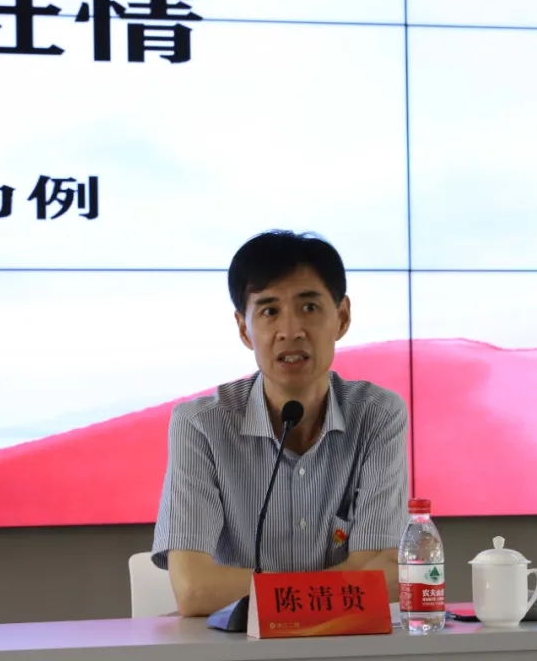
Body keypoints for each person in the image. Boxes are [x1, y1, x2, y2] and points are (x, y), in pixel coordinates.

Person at [151, 230, 410, 617]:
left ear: (341, 317)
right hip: (238, 643)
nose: (291, 331)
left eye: (309, 307)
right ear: (244, 329)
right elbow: (194, 589)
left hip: (345, 643)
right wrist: (340, 585)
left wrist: (257, 591)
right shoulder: (201, 425)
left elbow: (386, 576)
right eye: (270, 312)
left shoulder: (378, 415)